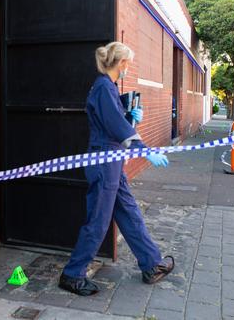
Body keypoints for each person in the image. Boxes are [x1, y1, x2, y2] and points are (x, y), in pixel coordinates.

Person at [59, 42, 174, 296]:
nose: (128, 68)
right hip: (104, 162)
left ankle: (152, 263)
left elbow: (116, 122)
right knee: (99, 221)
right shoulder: (103, 88)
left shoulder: (107, 87)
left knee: (129, 212)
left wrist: (131, 115)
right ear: (121, 63)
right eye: (127, 64)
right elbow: (114, 125)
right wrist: (145, 150)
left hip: (111, 161)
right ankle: (72, 274)